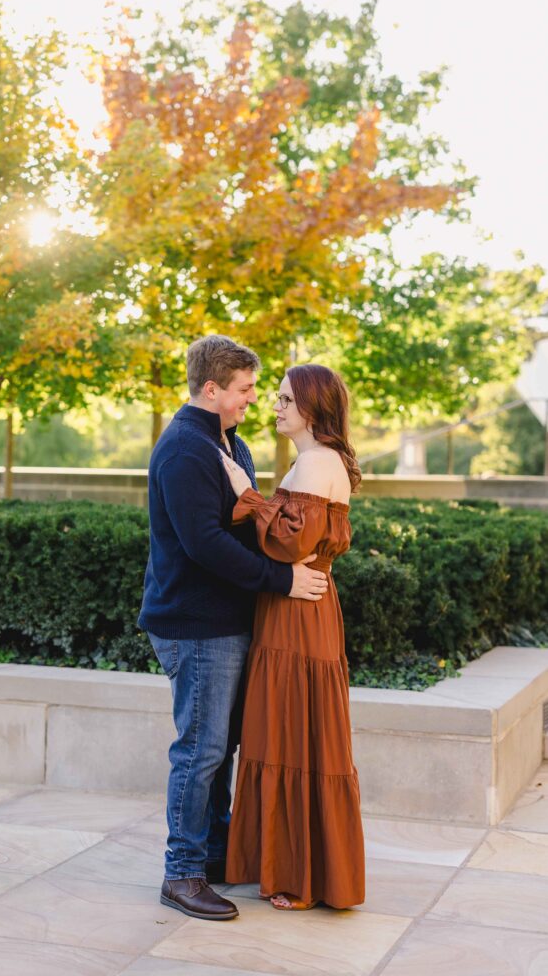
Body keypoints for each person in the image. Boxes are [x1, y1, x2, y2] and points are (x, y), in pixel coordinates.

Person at [138, 335, 329, 921]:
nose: (254, 399)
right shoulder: (184, 452)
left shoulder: (226, 440)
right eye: (245, 389)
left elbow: (242, 524)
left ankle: (213, 854)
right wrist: (282, 580)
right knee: (201, 750)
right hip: (196, 625)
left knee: (220, 750)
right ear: (212, 388)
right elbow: (206, 545)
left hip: (226, 622)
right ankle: (182, 873)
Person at [221, 363, 365, 911]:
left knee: (290, 730)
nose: (274, 406)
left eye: (284, 399)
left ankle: (297, 877)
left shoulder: (315, 461)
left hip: (297, 613)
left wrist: (249, 496)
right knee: (298, 729)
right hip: (306, 607)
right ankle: (298, 868)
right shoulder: (320, 461)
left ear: (311, 407)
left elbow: (286, 546)